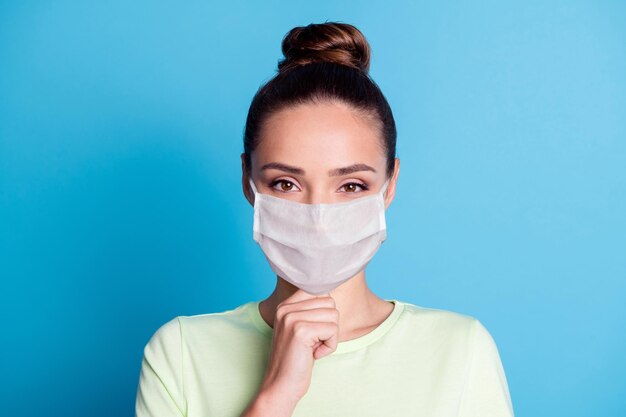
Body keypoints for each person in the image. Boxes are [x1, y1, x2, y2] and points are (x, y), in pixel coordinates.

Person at [134, 21, 515, 417]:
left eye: (350, 186)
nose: (318, 217)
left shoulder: (459, 350)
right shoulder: (180, 352)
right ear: (249, 182)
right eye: (285, 183)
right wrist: (276, 395)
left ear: (389, 185)